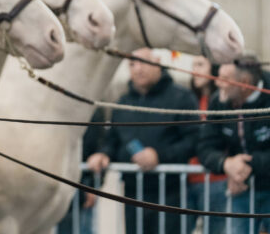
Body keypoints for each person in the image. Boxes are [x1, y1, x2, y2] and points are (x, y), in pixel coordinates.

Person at [87, 48, 198, 234]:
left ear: (157, 62)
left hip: (171, 194)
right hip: (133, 193)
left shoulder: (181, 98)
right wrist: (103, 154)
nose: (138, 69)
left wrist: (159, 156)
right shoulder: (122, 103)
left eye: (143, 62)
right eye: (132, 64)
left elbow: (194, 140)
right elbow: (112, 140)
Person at [197, 54, 270, 234]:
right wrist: (227, 164)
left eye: (225, 79)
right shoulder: (219, 101)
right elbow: (205, 146)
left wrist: (248, 165)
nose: (218, 83)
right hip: (241, 189)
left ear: (244, 82)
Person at [187, 56, 226, 234]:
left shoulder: (220, 102)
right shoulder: (189, 100)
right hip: (189, 178)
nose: (195, 70)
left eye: (200, 65)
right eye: (193, 65)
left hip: (215, 179)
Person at [57, 109, 106, 234]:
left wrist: (92, 186)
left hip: (80, 191)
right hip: (54, 189)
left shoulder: (93, 112)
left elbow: (100, 147)